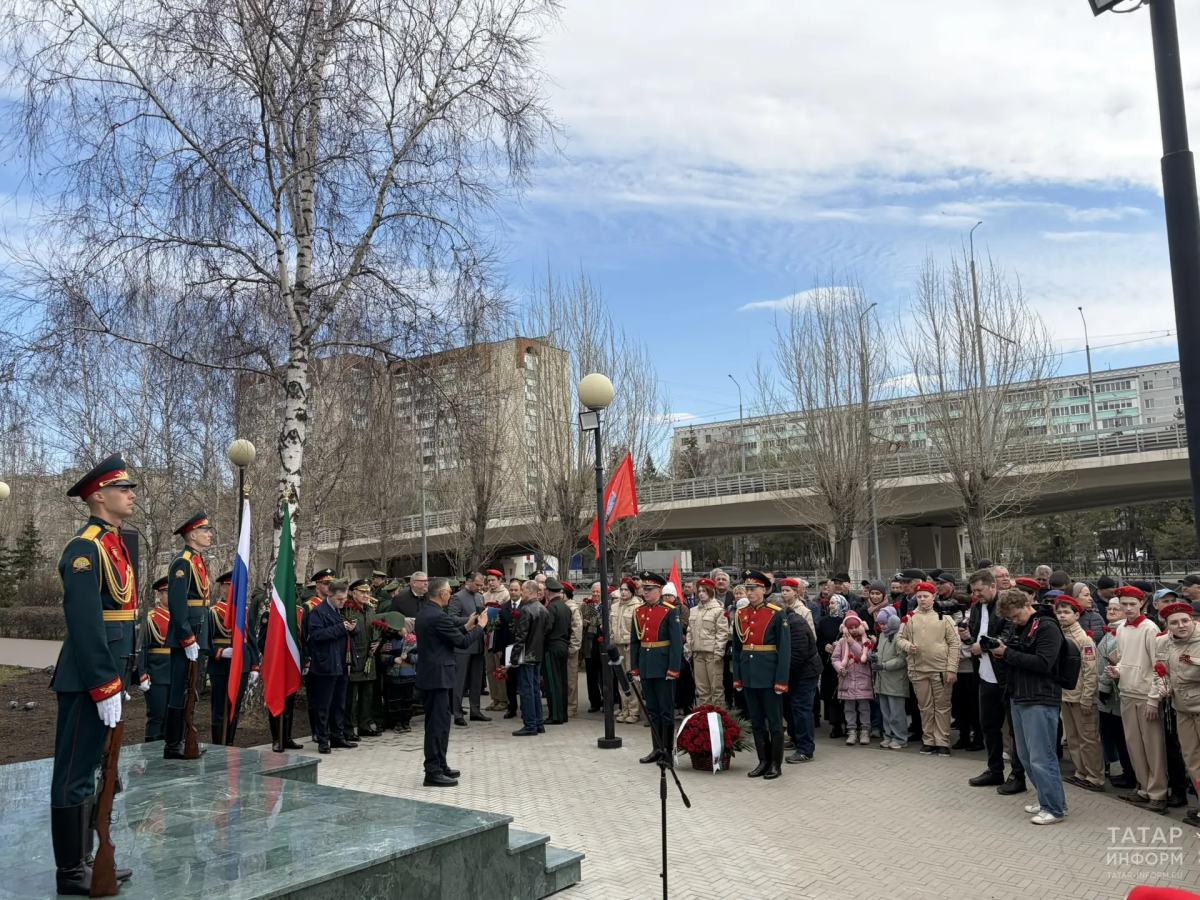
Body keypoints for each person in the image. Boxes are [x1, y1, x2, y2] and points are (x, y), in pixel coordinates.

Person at [50, 454, 138, 895]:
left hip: (108, 674)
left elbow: (125, 619)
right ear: (98, 496)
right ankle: (70, 871)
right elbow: (86, 623)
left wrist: (123, 677)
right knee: (74, 771)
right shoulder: (85, 548)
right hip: (88, 676)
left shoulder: (114, 544)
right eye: (123, 488)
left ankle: (87, 859)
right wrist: (104, 683)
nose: (131, 495)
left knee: (92, 769)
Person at [993, 588, 1067, 825]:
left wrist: (1007, 653)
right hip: (1020, 695)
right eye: (1010, 618)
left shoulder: (1047, 626)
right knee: (1025, 756)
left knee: (1042, 756)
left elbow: (1044, 662)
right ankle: (1047, 798)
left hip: (1040, 697)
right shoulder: (1022, 626)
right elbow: (1019, 654)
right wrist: (1002, 653)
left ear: (1027, 605)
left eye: (1016, 616)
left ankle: (1054, 808)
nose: (1014, 621)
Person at [415, 577, 485, 785]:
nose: (450, 594)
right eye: (448, 591)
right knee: (437, 725)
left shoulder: (428, 612)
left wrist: (468, 625)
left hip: (433, 675)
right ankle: (432, 771)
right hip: (437, 677)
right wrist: (480, 627)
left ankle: (440, 763)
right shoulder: (437, 616)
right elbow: (461, 642)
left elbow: (449, 636)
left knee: (442, 722)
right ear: (441, 593)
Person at [1108, 585, 1169, 812]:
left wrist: (1154, 698)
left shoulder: (1149, 628)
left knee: (1153, 746)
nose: (1128, 608)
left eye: (1132, 604)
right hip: (1127, 692)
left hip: (1145, 695)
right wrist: (1118, 670)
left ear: (1142, 604)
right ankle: (1143, 787)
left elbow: (1158, 666)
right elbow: (1123, 659)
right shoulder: (1122, 629)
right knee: (1134, 745)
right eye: (1124, 604)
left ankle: (1158, 792)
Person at [967, 569, 1026, 794]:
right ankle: (994, 769)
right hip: (984, 674)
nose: (977, 594)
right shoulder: (976, 607)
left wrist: (981, 646)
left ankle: (1018, 775)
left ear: (993, 586)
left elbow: (1009, 636)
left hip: (1005, 676)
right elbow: (975, 633)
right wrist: (967, 637)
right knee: (988, 725)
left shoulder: (1004, 606)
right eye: (974, 591)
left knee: (1014, 730)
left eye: (980, 590)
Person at [164, 509, 214, 760]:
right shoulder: (183, 562)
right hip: (188, 634)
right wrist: (186, 637)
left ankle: (185, 738)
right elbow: (178, 603)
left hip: (198, 630)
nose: (209, 534)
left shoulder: (197, 560)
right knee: (180, 688)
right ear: (192, 535)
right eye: (205, 530)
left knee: (190, 687)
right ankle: (173, 743)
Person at [732, 570, 790, 780]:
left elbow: (785, 650)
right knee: (756, 721)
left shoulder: (776, 613)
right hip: (749, 674)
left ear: (764, 590)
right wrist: (737, 677)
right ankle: (763, 761)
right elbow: (737, 649)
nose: (750, 593)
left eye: (754, 588)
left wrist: (781, 680)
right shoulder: (741, 614)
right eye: (747, 589)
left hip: (769, 675)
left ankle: (775, 763)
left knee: (774, 722)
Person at [897, 581, 961, 757]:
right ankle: (929, 740)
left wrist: (952, 669)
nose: (922, 599)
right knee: (925, 707)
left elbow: (955, 643)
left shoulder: (944, 618)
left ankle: (942, 741)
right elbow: (900, 638)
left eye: (926, 596)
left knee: (942, 706)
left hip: (940, 669)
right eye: (919, 597)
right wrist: (908, 646)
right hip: (918, 669)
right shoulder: (909, 618)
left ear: (933, 597)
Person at [1152, 600, 1200, 827]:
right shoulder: (1163, 643)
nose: (1181, 626)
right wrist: (1163, 687)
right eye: (1174, 623)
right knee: (1192, 762)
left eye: (1185, 621)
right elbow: (1159, 671)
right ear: (1167, 625)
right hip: (1182, 711)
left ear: (1192, 620)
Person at [631, 572, 684, 764]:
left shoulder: (670, 611)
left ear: (660, 590)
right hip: (646, 664)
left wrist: (673, 668)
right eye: (644, 589)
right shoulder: (639, 611)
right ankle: (656, 748)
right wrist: (635, 667)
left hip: (663, 666)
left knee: (665, 711)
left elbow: (676, 643)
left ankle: (667, 751)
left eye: (650, 589)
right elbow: (635, 642)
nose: (646, 592)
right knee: (652, 710)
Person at [1054, 595, 1104, 793]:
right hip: (1065, 695)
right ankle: (1080, 772)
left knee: (1088, 739)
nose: (1062, 616)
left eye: (1066, 612)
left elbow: (1090, 672)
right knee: (1073, 738)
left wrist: (1087, 698)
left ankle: (1095, 777)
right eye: (1059, 612)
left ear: (1076, 615)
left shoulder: (1084, 640)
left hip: (1082, 697)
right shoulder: (1059, 636)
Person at [304, 581, 358, 754]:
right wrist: (341, 628)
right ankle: (322, 740)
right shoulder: (318, 612)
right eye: (339, 599)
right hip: (325, 664)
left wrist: (353, 629)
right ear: (330, 596)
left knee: (339, 703)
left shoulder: (343, 610)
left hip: (341, 662)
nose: (343, 602)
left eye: (345, 599)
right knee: (324, 704)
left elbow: (351, 635)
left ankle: (337, 736)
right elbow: (316, 635)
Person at [207, 570, 260, 745]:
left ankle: (229, 743)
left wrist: (254, 666)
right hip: (221, 666)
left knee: (234, 707)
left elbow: (251, 640)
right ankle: (218, 745)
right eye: (230, 586)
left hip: (242, 664)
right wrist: (220, 652)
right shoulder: (213, 612)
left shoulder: (244, 611)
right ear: (223, 588)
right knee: (220, 708)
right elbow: (204, 643)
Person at [1097, 598, 1136, 789]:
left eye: (1116, 609)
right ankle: (1126, 771)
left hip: (1115, 693)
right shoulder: (1110, 631)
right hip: (1109, 697)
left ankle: (1130, 774)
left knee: (1122, 736)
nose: (1111, 611)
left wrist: (1103, 685)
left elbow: (1114, 661)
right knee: (1115, 735)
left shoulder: (1120, 632)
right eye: (1109, 608)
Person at [445, 572, 488, 726]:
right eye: (477, 584)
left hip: (478, 643)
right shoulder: (458, 597)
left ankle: (475, 710)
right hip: (463, 644)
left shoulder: (480, 597)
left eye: (481, 585)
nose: (480, 587)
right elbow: (452, 618)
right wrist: (471, 620)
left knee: (476, 681)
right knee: (460, 681)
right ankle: (457, 713)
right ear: (469, 582)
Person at [784, 595, 822, 764]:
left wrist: (780, 672)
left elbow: (798, 655)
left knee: (801, 708)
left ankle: (806, 750)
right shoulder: (784, 621)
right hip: (792, 674)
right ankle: (795, 739)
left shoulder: (796, 623)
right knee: (788, 708)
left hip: (805, 673)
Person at [509, 579, 549, 737]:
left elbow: (521, 637)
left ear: (530, 591)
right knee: (534, 689)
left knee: (526, 690)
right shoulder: (543, 609)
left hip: (527, 655)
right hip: (537, 653)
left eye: (523, 590)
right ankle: (538, 723)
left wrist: (514, 658)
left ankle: (530, 725)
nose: (521, 593)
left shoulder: (526, 610)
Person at [344, 579, 380, 740]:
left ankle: (364, 725)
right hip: (354, 658)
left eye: (368, 592)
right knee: (350, 697)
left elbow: (375, 628)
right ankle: (347, 729)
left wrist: (378, 642)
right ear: (353, 593)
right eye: (362, 592)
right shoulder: (348, 609)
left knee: (367, 694)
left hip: (369, 657)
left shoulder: (370, 609)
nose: (366, 595)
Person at [137, 576, 172, 743]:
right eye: (168, 592)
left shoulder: (181, 617)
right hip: (157, 673)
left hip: (177, 673)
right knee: (157, 717)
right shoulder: (150, 618)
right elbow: (141, 648)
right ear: (159, 594)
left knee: (174, 716)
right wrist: (142, 675)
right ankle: (152, 753)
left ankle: (171, 751)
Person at [831, 611, 874, 746]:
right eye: (851, 628)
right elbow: (835, 658)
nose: (854, 630)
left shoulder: (866, 641)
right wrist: (840, 668)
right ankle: (851, 731)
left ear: (861, 626)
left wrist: (852, 643)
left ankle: (865, 731)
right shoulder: (841, 642)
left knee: (864, 708)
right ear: (845, 629)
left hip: (862, 679)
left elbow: (864, 657)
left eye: (856, 627)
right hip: (847, 679)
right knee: (849, 708)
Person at [687, 578, 730, 708]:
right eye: (699, 591)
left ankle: (718, 715)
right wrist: (688, 647)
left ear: (711, 592)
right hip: (697, 653)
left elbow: (722, 633)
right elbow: (690, 631)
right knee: (702, 688)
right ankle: (705, 715)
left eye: (704, 591)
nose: (701, 594)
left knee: (716, 688)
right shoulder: (693, 610)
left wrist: (719, 652)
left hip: (712, 654)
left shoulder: (718, 610)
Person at [874, 611, 910, 750]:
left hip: (896, 680)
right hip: (882, 680)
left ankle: (900, 738)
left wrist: (884, 665)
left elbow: (902, 659)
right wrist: (875, 657)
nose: (882, 627)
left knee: (897, 712)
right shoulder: (882, 635)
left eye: (884, 623)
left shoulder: (899, 636)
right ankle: (888, 736)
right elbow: (882, 653)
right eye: (880, 624)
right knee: (886, 712)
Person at [610, 578, 642, 724]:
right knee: (621, 680)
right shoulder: (614, 607)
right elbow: (611, 626)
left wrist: (635, 645)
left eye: (626, 590)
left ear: (632, 591)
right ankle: (624, 709)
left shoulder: (637, 606)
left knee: (631, 679)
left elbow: (640, 629)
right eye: (621, 589)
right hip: (617, 646)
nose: (623, 592)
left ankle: (634, 711)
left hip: (630, 646)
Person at [817, 595, 849, 738]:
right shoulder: (824, 621)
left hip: (845, 663)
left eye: (834, 603)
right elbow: (818, 640)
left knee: (847, 694)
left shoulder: (848, 620)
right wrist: (825, 646)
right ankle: (835, 725)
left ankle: (849, 724)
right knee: (831, 694)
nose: (830, 606)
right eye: (830, 603)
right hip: (829, 664)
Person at [543, 578, 573, 725]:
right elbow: (569, 629)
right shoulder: (566, 608)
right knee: (561, 682)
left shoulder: (551, 608)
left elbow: (547, 628)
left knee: (552, 682)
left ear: (548, 592)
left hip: (552, 648)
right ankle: (563, 714)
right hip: (563, 646)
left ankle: (555, 715)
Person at [482, 569, 510, 712]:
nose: (490, 583)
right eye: (488, 580)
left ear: (500, 580)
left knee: (500, 668)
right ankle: (495, 698)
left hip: (499, 634)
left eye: (493, 580)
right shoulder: (485, 595)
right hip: (488, 634)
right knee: (490, 668)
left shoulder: (505, 594)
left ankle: (503, 699)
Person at [496, 581, 522, 718]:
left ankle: (525, 707)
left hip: (522, 648)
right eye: (511, 590)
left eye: (516, 590)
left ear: (521, 591)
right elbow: (498, 630)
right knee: (510, 680)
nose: (513, 592)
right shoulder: (503, 608)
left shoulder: (526, 606)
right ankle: (512, 708)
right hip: (507, 649)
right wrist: (499, 649)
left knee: (522, 679)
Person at [561, 582, 585, 716]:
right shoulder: (560, 606)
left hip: (570, 649)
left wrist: (573, 648)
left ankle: (572, 706)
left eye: (561, 592)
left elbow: (577, 629)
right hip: (562, 648)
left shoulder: (573, 608)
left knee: (571, 679)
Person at [581, 583, 605, 713]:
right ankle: (594, 702)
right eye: (593, 591)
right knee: (591, 676)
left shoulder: (607, 606)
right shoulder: (586, 606)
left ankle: (607, 701)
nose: (595, 594)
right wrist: (584, 623)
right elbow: (579, 620)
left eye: (598, 592)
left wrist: (598, 624)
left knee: (605, 675)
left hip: (603, 644)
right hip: (589, 644)